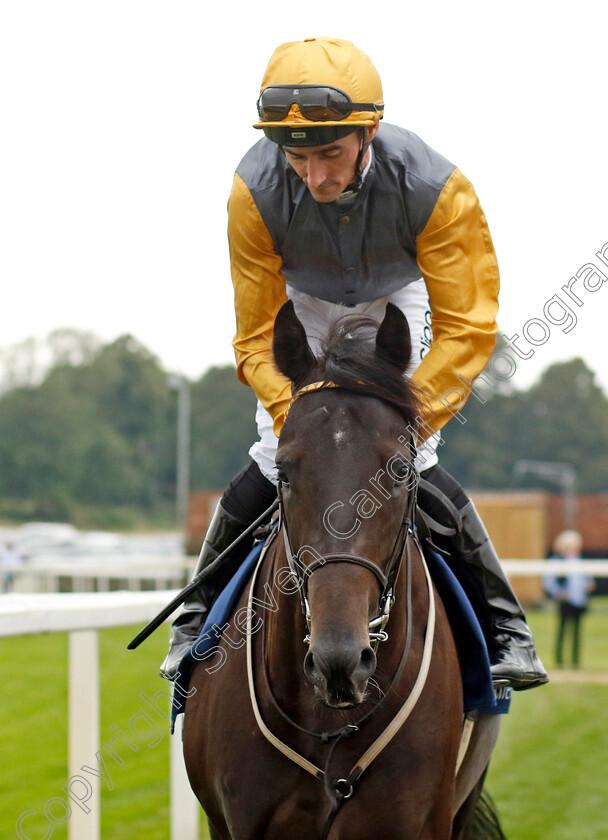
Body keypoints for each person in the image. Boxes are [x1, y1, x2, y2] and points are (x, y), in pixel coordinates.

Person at [161, 37, 548, 691]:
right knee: (271, 450)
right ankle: (192, 615)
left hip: (395, 296)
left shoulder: (438, 188)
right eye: (298, 156)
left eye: (331, 153)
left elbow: (468, 330)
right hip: (304, 300)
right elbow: (256, 336)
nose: (314, 177)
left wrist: (394, 421)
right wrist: (303, 417)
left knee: (410, 457)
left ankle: (508, 627)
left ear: (369, 130)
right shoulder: (250, 192)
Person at [544, 530, 594, 668]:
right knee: (562, 630)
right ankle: (559, 660)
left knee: (577, 632)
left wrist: (588, 585)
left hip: (579, 601)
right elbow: (549, 581)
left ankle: (575, 661)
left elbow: (587, 579)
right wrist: (559, 593)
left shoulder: (580, 561)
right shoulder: (557, 561)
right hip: (565, 601)